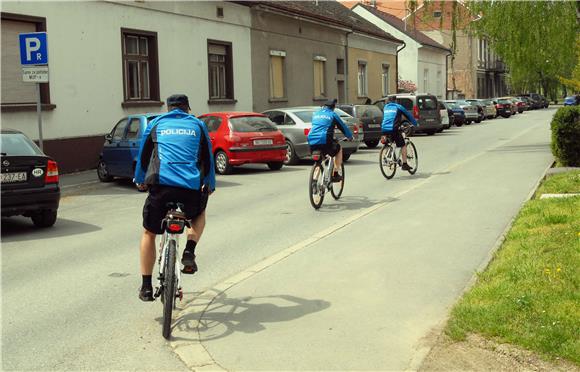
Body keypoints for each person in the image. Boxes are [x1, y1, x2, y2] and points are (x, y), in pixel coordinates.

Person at [134, 94, 216, 302]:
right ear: (187, 108)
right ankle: (189, 250)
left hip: (161, 187)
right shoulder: (198, 125)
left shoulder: (156, 124)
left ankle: (145, 286)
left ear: (169, 108)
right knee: (199, 213)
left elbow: (143, 155)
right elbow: (207, 156)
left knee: (148, 232)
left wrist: (139, 179)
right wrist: (210, 184)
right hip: (189, 189)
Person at [307, 99, 354, 182]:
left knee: (319, 161)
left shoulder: (315, 114)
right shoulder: (333, 115)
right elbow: (343, 127)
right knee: (338, 149)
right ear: (333, 107)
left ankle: (314, 181)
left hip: (311, 140)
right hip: (325, 140)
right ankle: (335, 174)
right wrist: (350, 137)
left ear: (324, 106)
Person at [381, 96, 418, 171]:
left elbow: (388, 118)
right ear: (395, 101)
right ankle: (404, 164)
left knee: (390, 142)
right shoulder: (398, 107)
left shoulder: (385, 108)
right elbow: (408, 115)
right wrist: (415, 123)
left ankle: (387, 156)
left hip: (384, 129)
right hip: (394, 128)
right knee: (403, 145)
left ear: (388, 101)